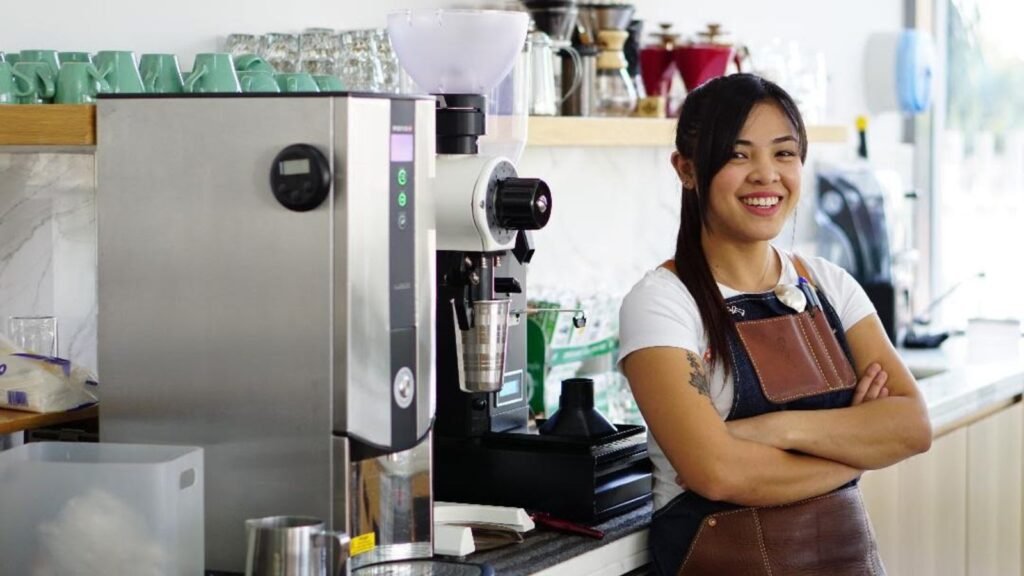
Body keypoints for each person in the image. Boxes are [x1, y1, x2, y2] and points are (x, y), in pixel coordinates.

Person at [618, 73, 932, 575]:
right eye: (739, 155)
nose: (766, 174)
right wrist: (857, 448)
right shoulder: (662, 304)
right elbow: (717, 472)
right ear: (687, 170)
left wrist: (770, 429)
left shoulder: (827, 282)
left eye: (784, 153)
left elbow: (912, 426)